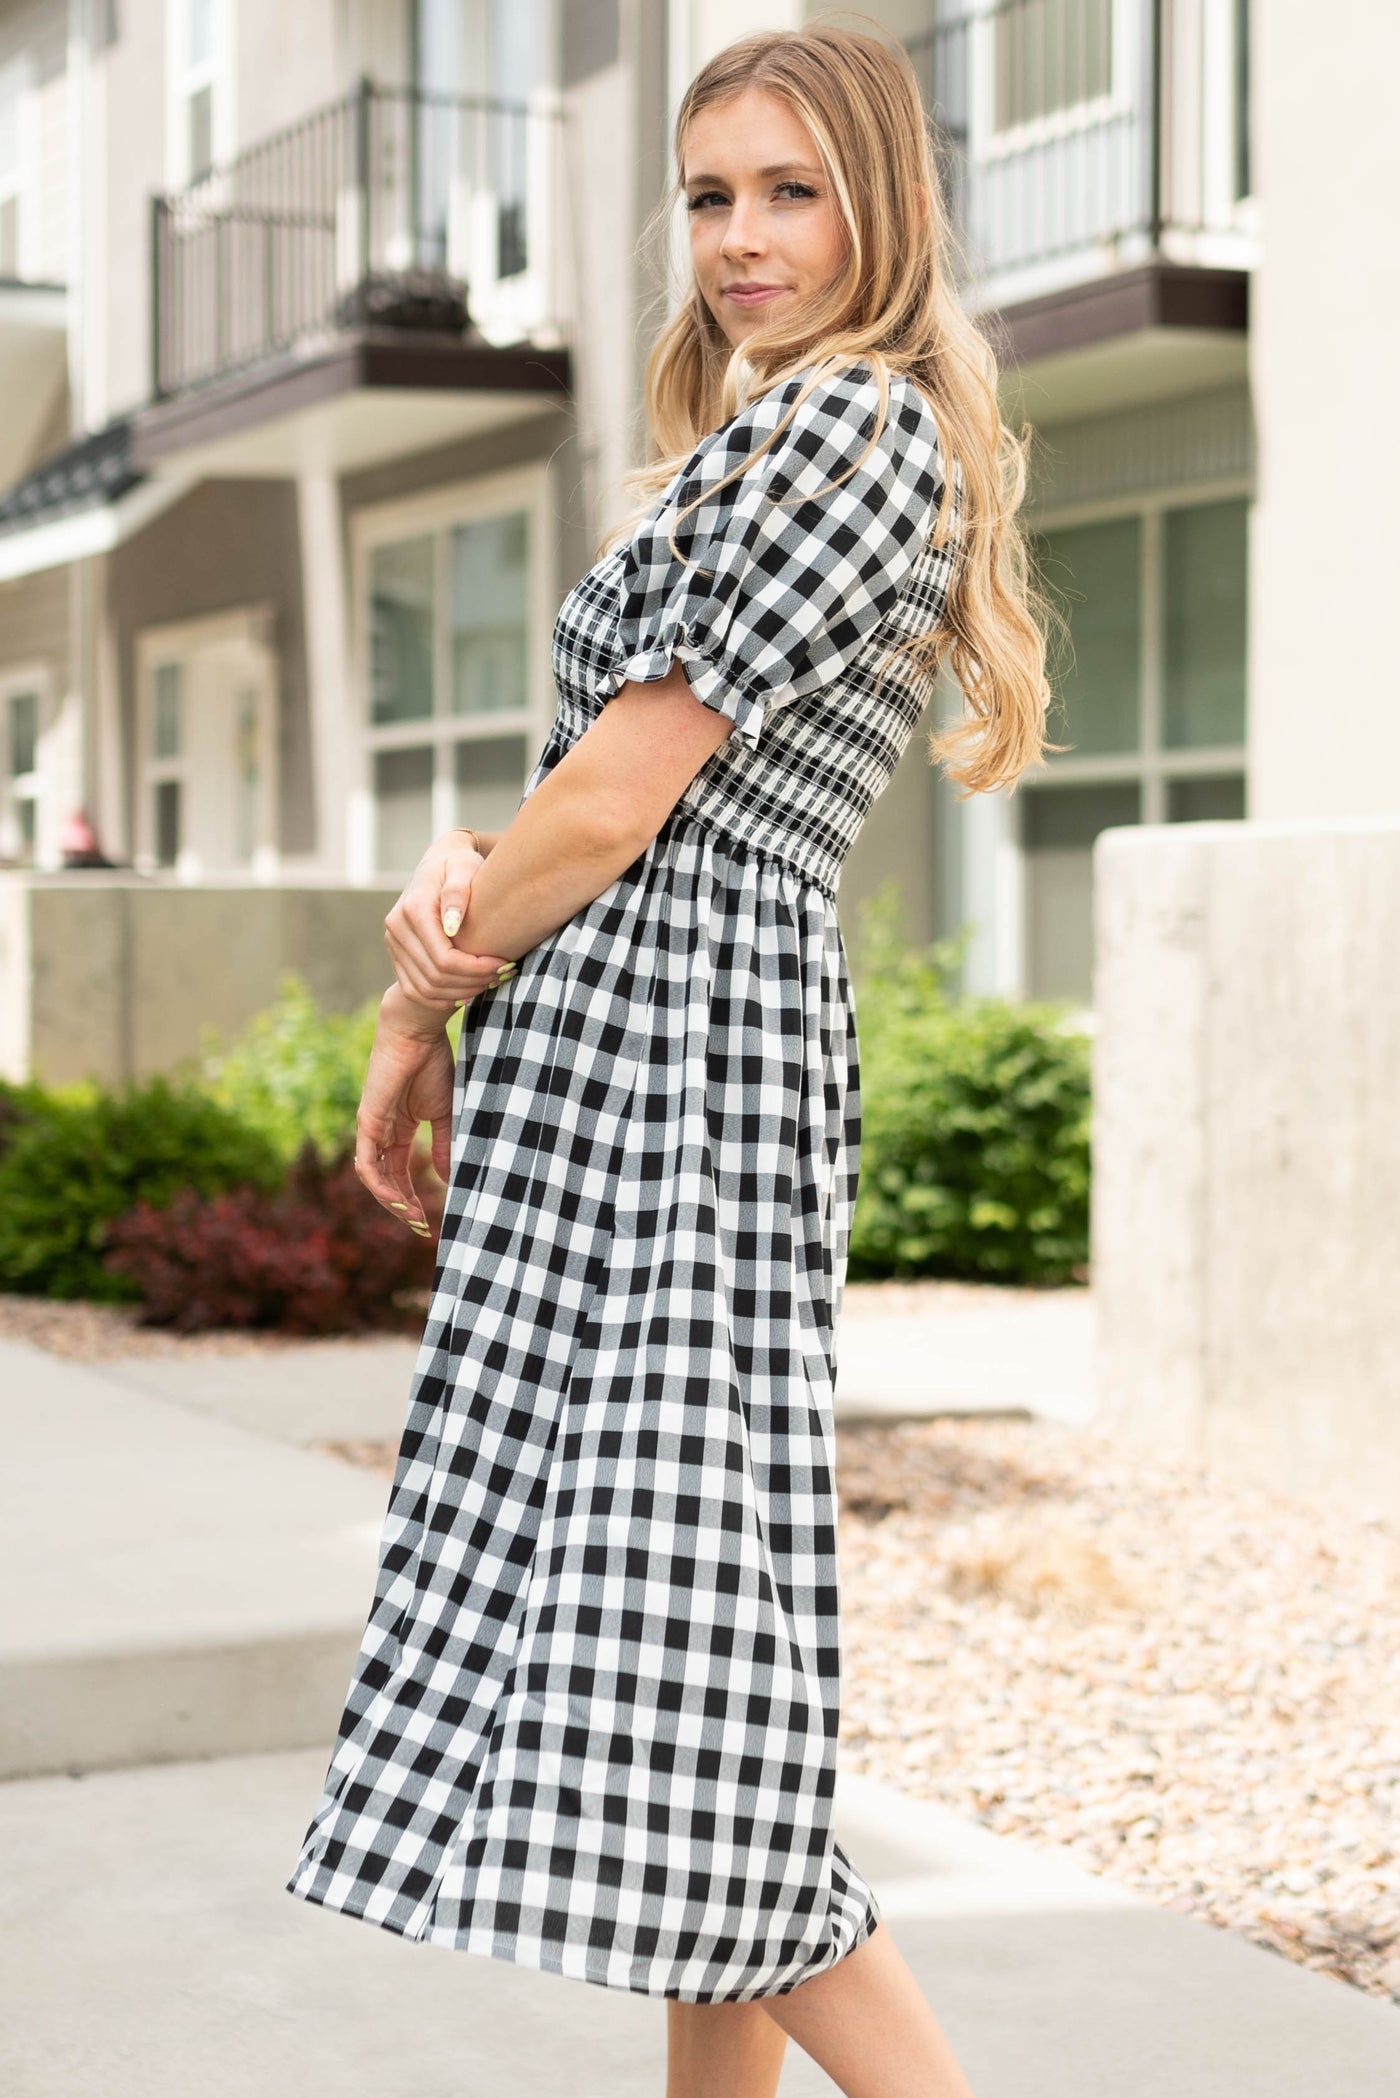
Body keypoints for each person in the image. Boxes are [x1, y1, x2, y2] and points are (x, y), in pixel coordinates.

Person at [286, 21, 1054, 2097]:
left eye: (789, 189)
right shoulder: (795, 433)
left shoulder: (835, 437)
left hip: (672, 1091)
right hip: (657, 1059)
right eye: (710, 194)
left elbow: (625, 805)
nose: (740, 236)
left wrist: (412, 998)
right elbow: (601, 793)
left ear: (879, 204)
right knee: (689, 1703)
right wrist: (478, 865)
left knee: (693, 1708)